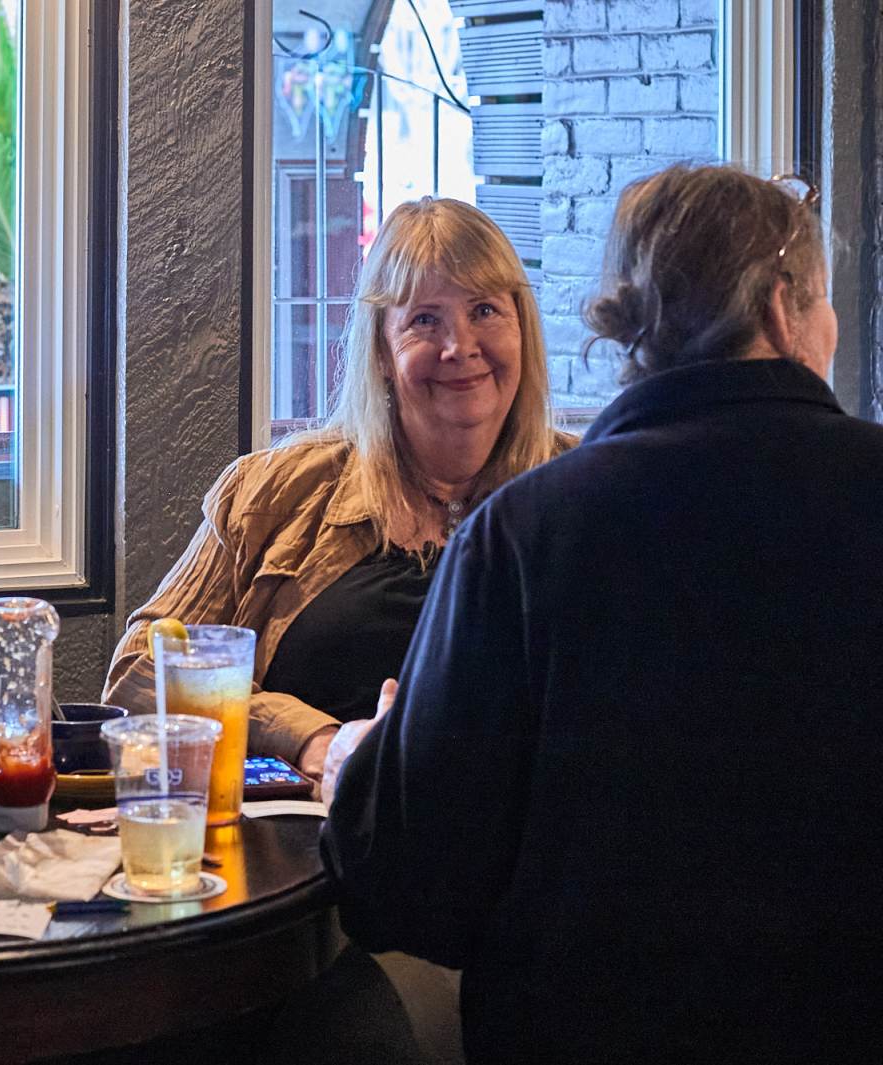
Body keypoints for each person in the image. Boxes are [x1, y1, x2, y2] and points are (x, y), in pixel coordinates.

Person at [322, 165, 883, 1063]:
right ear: (785, 313)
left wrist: (362, 770)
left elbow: (405, 890)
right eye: (825, 303)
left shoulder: (522, 534)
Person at [103, 197, 570, 778]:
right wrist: (317, 741)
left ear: (523, 329)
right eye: (425, 320)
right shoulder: (275, 491)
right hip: (309, 826)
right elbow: (138, 675)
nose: (460, 347)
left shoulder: (587, 495)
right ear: (381, 351)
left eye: (484, 310)